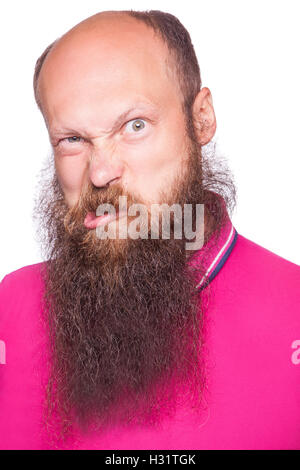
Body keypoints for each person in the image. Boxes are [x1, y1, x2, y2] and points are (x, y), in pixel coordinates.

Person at [0, 9, 299, 450]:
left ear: (201, 119)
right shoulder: (11, 305)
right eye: (73, 140)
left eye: (134, 127)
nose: (100, 173)